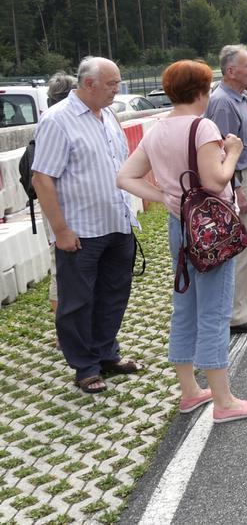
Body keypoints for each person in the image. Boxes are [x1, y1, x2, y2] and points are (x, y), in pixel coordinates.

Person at [117, 60, 247, 423]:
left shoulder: (156, 130)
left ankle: (190, 391)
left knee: (184, 306)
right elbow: (216, 181)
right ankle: (224, 401)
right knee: (215, 310)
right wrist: (232, 149)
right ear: (202, 90)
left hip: (180, 226)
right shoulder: (203, 128)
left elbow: (125, 177)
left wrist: (166, 197)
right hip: (211, 228)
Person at [31, 57, 142, 394]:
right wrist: (61, 230)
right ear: (88, 84)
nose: (117, 89)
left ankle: (107, 354)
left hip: (117, 223)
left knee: (113, 295)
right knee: (77, 302)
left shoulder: (108, 115)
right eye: (112, 84)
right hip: (80, 231)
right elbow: (42, 179)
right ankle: (85, 367)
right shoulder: (57, 120)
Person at [205, 45, 247, 334]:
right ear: (231, 71)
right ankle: (237, 314)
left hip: (246, 172)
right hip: (237, 178)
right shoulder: (222, 102)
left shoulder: (238, 97)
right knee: (241, 247)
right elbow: (220, 150)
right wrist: (236, 189)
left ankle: (243, 303)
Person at [42, 72, 78, 321]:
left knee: (60, 269)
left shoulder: (48, 121)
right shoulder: (55, 123)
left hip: (52, 207)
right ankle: (63, 332)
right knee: (60, 269)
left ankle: (64, 331)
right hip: (58, 208)